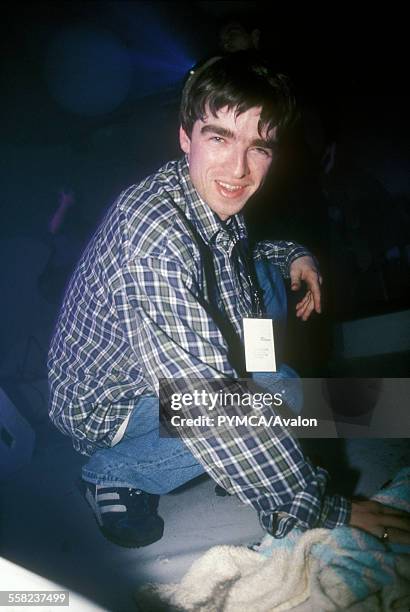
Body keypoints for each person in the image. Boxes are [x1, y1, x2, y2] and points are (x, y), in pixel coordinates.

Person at [48, 52, 410, 549]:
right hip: (107, 406)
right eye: (219, 137)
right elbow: (205, 396)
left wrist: (295, 253)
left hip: (149, 383)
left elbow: (242, 256)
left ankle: (240, 459)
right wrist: (322, 506)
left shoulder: (206, 200)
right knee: (272, 400)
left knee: (284, 388)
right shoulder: (151, 227)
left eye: (258, 147)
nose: (239, 168)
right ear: (185, 138)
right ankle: (110, 474)